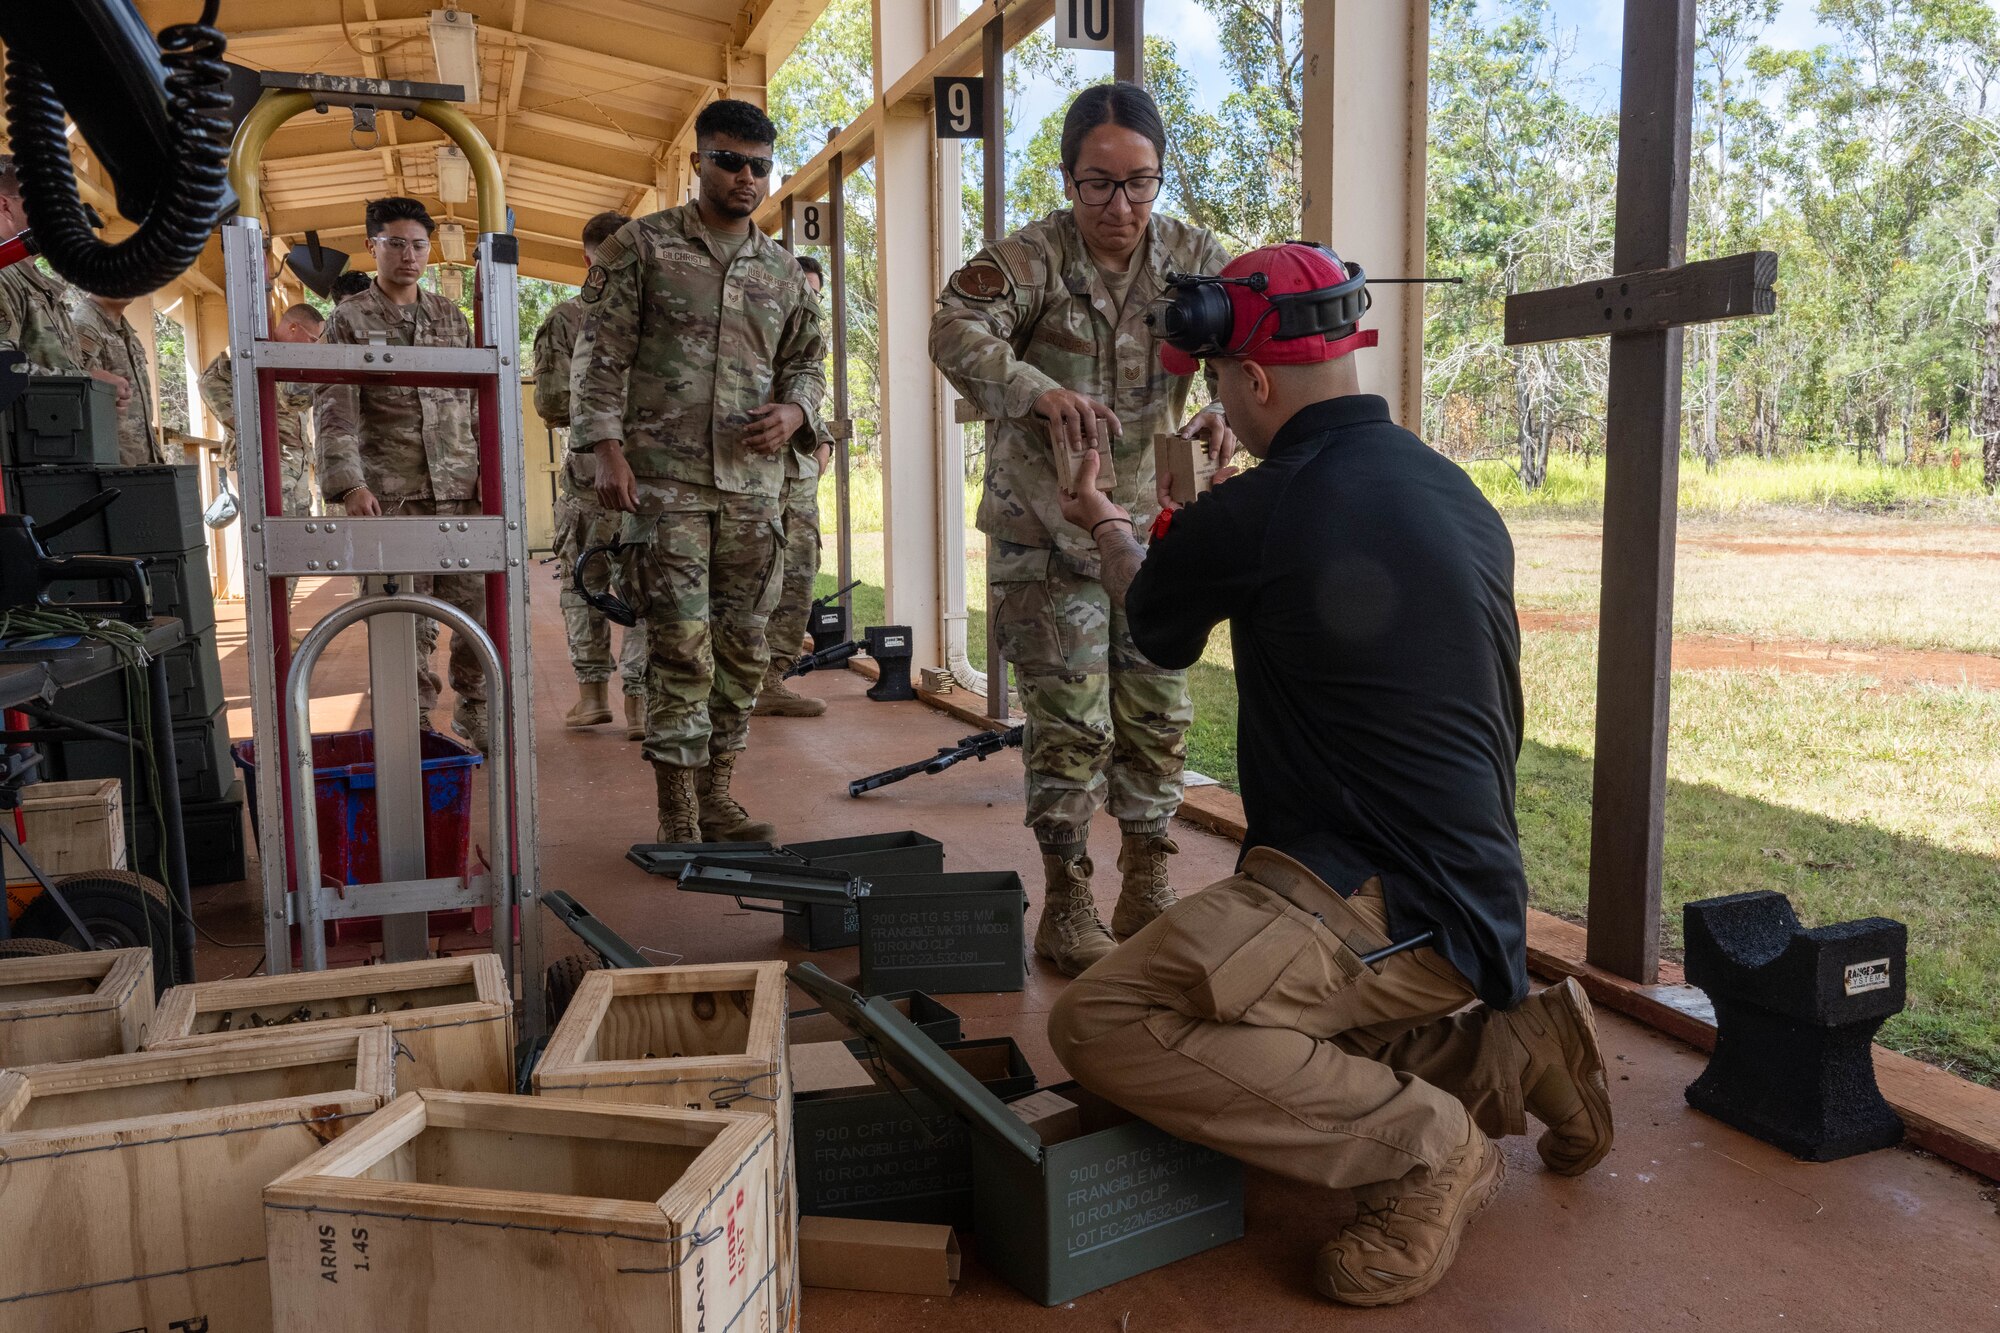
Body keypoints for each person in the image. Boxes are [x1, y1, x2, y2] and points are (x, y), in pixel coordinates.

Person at [1045, 243, 1613, 1308]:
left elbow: (1154, 622)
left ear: (1251, 381)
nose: (1216, 398)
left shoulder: (1260, 509)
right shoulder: (1452, 490)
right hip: (1470, 892)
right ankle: (1508, 1051)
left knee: (1105, 1021)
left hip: (1364, 896)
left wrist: (1109, 522)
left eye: (1218, 380)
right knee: (1246, 1014)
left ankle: (1425, 1145)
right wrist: (1210, 520)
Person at [929, 82, 1235, 977]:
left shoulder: (1191, 254)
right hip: (1045, 530)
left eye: (1141, 183)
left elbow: (1240, 342)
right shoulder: (1029, 257)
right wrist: (1034, 390)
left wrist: (1221, 404)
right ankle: (1066, 900)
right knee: (1068, 723)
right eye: (1099, 184)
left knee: (1157, 712)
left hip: (1151, 528)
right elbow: (954, 328)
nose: (1122, 206)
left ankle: (1149, 881)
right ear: (1069, 180)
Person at [571, 98, 826, 844]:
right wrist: (606, 448)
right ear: (698, 162)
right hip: (665, 486)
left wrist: (797, 414)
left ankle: (718, 791)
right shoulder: (640, 249)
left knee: (745, 645)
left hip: (754, 491)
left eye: (758, 167)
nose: (745, 178)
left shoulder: (782, 270)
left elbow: (807, 363)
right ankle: (677, 807)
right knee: (681, 643)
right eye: (730, 161)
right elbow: (600, 355)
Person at [315, 196, 489, 750]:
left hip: (459, 489)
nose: (408, 256)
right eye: (395, 243)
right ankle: (410, 720)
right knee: (402, 615)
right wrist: (350, 483)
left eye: (418, 244)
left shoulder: (450, 316)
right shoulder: (349, 319)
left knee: (473, 608)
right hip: (391, 491)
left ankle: (475, 709)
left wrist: (490, 470)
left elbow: (477, 400)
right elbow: (334, 402)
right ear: (373, 247)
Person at [534, 210, 647, 738]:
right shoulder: (662, 312)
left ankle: (592, 695)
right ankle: (640, 704)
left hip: (589, 473)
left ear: (587, 258)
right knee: (645, 581)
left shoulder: (566, 319)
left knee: (584, 579)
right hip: (652, 472)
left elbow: (552, 402)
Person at [753, 251, 833, 718]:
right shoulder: (751, 332)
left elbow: (812, 399)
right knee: (749, 582)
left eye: (815, 296)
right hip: (753, 478)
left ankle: (772, 681)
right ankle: (730, 682)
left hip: (799, 481)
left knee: (798, 578)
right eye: (802, 292)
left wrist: (824, 445)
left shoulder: (809, 344)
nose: (810, 303)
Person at [0, 155, 128, 408]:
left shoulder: (34, 283)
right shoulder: (4, 275)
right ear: (6, 206)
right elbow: (5, 372)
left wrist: (97, 389)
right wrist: (88, 381)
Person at [200, 302, 325, 520]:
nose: (314, 347)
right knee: (272, 535)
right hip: (266, 462)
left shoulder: (292, 361)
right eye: (313, 340)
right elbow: (210, 384)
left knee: (301, 534)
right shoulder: (247, 356)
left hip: (298, 461)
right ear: (293, 328)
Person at [72, 292, 164, 465]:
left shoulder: (125, 331)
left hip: (138, 462)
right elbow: (74, 397)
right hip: (109, 465)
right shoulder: (83, 325)